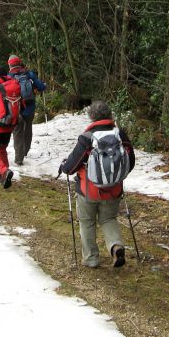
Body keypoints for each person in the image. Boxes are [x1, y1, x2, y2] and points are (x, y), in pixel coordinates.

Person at [58, 101, 135, 268]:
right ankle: (116, 247)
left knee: (86, 222)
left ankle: (91, 259)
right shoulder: (120, 135)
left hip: (88, 190)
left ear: (91, 117)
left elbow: (71, 166)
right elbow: (131, 162)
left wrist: (64, 167)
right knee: (108, 218)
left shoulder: (87, 138)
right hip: (114, 189)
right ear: (110, 115)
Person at [7, 55, 47, 165]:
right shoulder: (28, 74)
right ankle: (25, 151)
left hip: (15, 109)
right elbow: (41, 87)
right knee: (28, 129)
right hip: (29, 107)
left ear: (10, 64)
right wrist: (43, 85)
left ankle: (19, 158)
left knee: (17, 132)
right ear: (20, 62)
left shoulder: (9, 76)